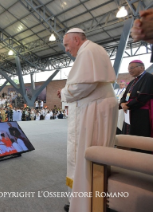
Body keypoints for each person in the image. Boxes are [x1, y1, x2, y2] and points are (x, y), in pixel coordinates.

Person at [57, 28, 118, 212]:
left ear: (76, 40)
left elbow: (83, 84)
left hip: (95, 110)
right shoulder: (94, 49)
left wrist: (65, 92)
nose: (66, 49)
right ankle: (91, 199)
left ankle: (85, 204)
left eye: (67, 45)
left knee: (87, 155)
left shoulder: (88, 51)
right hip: (98, 107)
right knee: (95, 155)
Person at [120, 60, 153, 141]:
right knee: (131, 133)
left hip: (142, 112)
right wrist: (122, 103)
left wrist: (128, 105)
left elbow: (144, 96)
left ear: (141, 67)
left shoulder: (149, 77)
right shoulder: (133, 81)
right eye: (128, 69)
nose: (129, 70)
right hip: (131, 110)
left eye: (132, 68)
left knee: (140, 135)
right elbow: (124, 96)